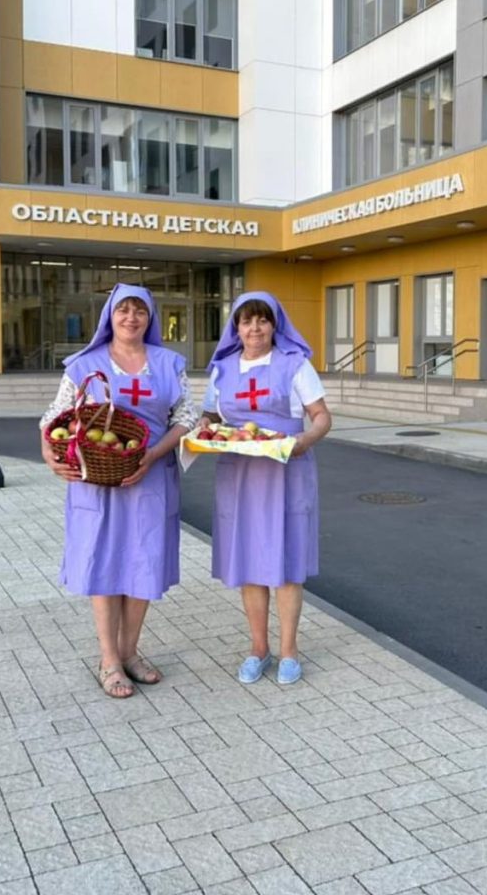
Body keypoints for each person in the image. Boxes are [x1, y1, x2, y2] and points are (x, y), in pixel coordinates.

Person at [40, 283, 196, 698]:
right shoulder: (84, 365)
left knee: (143, 562)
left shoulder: (169, 363)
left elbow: (186, 416)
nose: (131, 317)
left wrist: (153, 453)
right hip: (97, 481)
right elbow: (54, 416)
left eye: (139, 310)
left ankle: (130, 652)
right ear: (110, 315)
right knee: (104, 563)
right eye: (123, 310)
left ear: (150, 317)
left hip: (150, 478)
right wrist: (49, 453)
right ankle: (109, 659)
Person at [200, 290, 331, 685]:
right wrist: (204, 429)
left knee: (287, 563)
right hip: (239, 474)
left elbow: (321, 416)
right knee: (249, 562)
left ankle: (289, 651)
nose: (254, 328)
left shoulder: (295, 364)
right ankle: (259, 648)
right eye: (246, 321)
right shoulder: (222, 369)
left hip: (286, 470)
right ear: (236, 328)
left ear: (275, 325)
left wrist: (305, 441)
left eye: (262, 320)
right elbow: (210, 416)